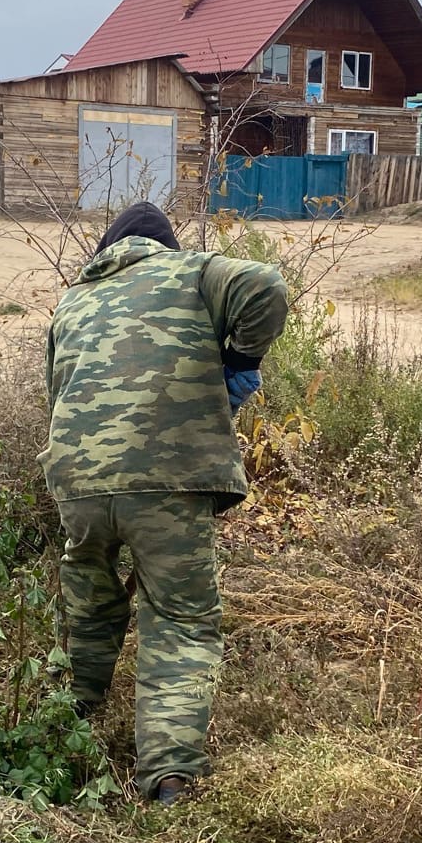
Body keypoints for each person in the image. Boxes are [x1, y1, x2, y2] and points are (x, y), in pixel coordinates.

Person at [43, 201, 289, 805]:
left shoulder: (71, 302)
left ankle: (63, 724)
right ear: (165, 245)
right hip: (167, 480)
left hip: (77, 480)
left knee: (90, 603)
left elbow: (58, 391)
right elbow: (265, 285)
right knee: (179, 620)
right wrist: (240, 360)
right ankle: (170, 776)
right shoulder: (190, 272)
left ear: (106, 248)